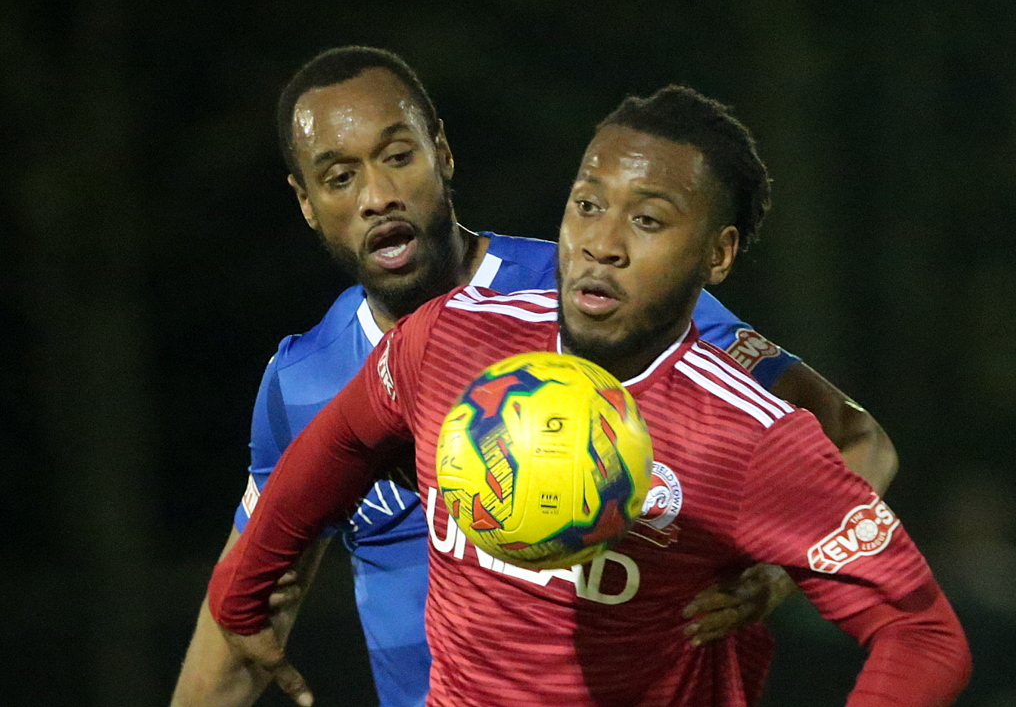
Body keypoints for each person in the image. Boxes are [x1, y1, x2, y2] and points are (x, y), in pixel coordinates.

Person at [172, 48, 899, 707]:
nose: (377, 195)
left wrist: (773, 577)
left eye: (399, 157)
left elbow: (857, 440)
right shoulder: (303, 382)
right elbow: (244, 619)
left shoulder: (598, 289)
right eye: (339, 176)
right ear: (306, 203)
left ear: (443, 153)